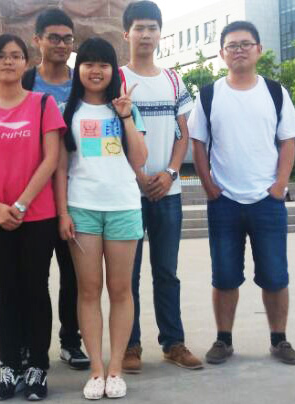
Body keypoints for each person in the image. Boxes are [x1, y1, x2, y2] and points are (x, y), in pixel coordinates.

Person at [188, 21, 295, 366]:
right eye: (232, 45)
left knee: (275, 275)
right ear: (222, 53)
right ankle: (223, 339)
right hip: (224, 201)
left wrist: (279, 185)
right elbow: (198, 143)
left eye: (245, 44)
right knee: (224, 276)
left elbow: (288, 140)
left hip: (267, 202)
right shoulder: (208, 95)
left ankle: (279, 339)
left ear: (259, 50)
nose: (239, 50)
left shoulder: (275, 92)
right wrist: (208, 185)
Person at [0, 34, 65, 401]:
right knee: (4, 291)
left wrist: (20, 205)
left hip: (37, 215)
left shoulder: (43, 104)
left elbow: (51, 159)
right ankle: (10, 367)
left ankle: (37, 366)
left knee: (35, 288)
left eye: (17, 56)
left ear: (26, 63)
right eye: (2, 56)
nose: (9, 61)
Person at [55, 37, 148, 399]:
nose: (96, 71)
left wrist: (125, 116)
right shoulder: (67, 111)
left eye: (104, 64)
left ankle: (116, 369)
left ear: (113, 70)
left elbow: (139, 159)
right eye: (88, 63)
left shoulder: (125, 108)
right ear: (78, 69)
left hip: (123, 207)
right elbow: (61, 168)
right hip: (83, 209)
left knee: (121, 290)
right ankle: (96, 370)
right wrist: (63, 212)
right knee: (89, 290)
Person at [119, 0, 203, 373]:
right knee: (128, 275)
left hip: (168, 193)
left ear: (159, 33)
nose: (146, 34)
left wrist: (170, 172)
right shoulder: (117, 79)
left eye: (152, 28)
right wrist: (138, 175)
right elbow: (111, 135)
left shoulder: (173, 80)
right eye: (139, 27)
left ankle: (173, 343)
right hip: (127, 194)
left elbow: (183, 133)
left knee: (166, 272)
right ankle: (130, 345)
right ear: (126, 33)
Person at [20, 7, 90, 371]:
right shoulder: (25, 82)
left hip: (77, 191)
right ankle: (31, 346)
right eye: (54, 38)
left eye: (67, 39)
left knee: (74, 275)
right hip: (35, 194)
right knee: (33, 276)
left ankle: (70, 341)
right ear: (38, 40)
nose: (61, 45)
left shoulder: (83, 83)